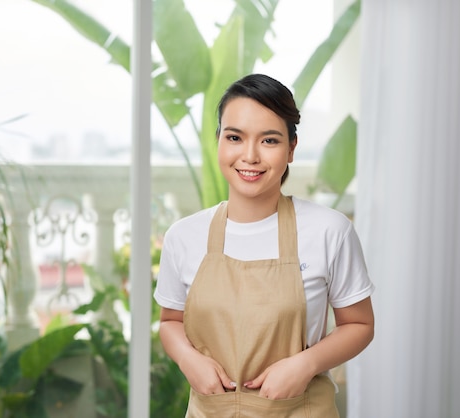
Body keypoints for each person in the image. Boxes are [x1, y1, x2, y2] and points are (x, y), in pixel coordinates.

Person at [153, 73, 374, 417]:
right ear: (219, 142)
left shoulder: (329, 230)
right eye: (235, 137)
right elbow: (170, 321)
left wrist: (305, 364)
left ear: (291, 148)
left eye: (269, 140)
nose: (250, 156)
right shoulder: (184, 236)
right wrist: (187, 358)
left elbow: (359, 325)